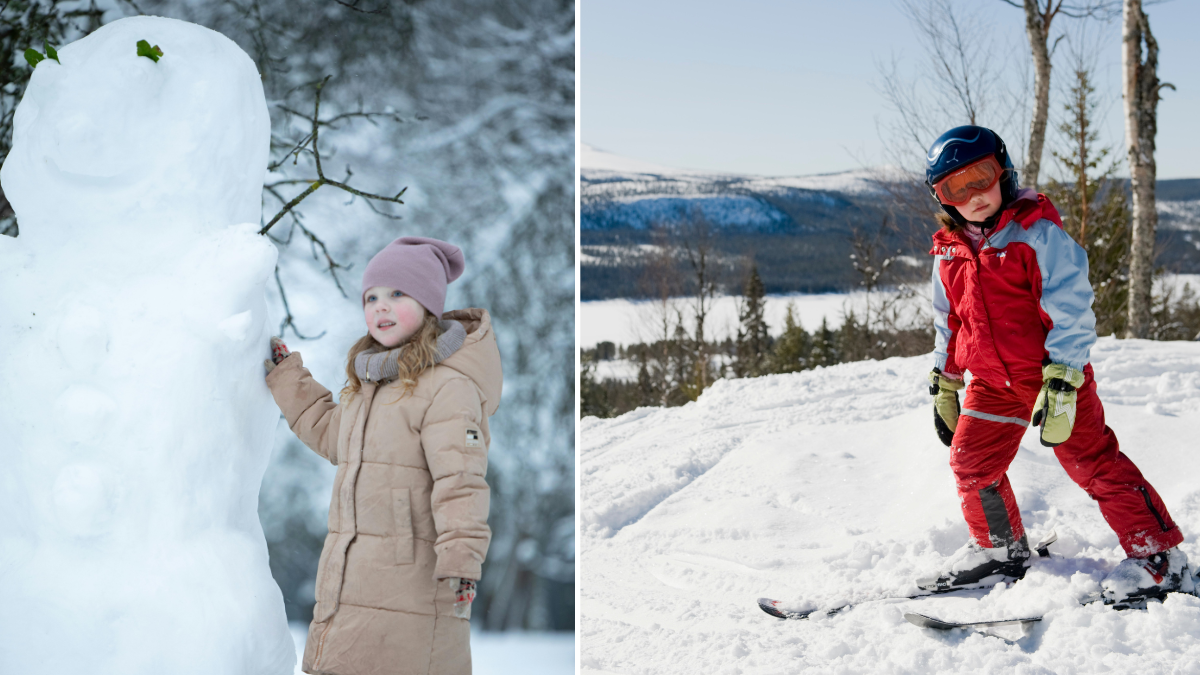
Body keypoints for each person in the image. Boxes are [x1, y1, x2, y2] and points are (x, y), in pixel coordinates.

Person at [918, 125, 1192, 608]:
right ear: (942, 197)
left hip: (1051, 381)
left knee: (1093, 463)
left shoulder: (1038, 236)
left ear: (1002, 171)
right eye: (955, 188)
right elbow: (950, 319)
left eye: (981, 177)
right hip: (991, 384)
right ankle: (999, 548)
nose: (974, 196)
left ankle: (1159, 558)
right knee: (971, 463)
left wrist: (1063, 376)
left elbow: (1072, 308)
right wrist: (946, 378)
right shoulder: (949, 254)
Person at [264, 236, 502, 675]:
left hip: (412, 584)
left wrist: (461, 564)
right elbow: (329, 432)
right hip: (351, 582)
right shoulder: (368, 386)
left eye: (397, 294)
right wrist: (286, 376)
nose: (381, 306)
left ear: (429, 304)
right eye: (371, 297)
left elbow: (461, 481)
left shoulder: (447, 387)